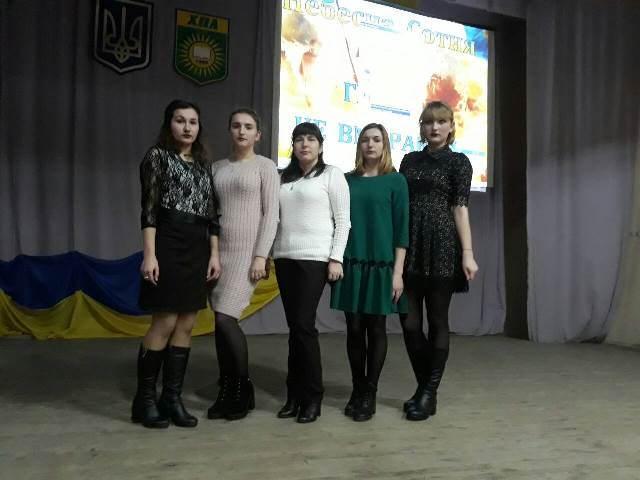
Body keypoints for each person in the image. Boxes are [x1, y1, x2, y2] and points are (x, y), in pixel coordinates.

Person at [133, 99, 220, 429]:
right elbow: (149, 210)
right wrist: (150, 254)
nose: (187, 127)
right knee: (165, 321)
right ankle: (144, 400)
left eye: (193, 121)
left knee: (187, 323)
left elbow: (212, 215)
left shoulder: (203, 164)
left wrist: (214, 254)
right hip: (167, 242)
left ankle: (172, 399)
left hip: (197, 246)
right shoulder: (157, 157)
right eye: (180, 120)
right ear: (169, 124)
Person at [399, 100, 479, 421]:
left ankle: (427, 392)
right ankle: (425, 390)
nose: (434, 127)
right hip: (410, 246)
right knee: (409, 324)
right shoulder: (409, 160)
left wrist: (468, 253)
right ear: (421, 127)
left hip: (443, 247)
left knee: (437, 322)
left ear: (451, 127)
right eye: (428, 122)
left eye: (441, 122)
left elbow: (460, 208)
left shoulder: (459, 162)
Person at [273, 122, 351, 423]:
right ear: (292, 146)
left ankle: (312, 398)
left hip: (315, 259)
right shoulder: (283, 178)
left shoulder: (331, 174)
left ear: (320, 145)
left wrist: (336, 258)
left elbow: (343, 220)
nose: (304, 144)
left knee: (304, 326)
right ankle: (293, 395)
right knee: (295, 328)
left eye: (311, 139)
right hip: (284, 257)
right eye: (299, 140)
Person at [330, 123, 409, 422]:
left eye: (376, 139)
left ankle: (370, 392)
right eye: (365, 139)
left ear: (385, 144)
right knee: (353, 329)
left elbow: (402, 230)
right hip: (351, 263)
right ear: (359, 145)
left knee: (376, 328)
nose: (370, 144)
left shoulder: (396, 181)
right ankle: (357, 388)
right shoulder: (346, 180)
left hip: (381, 266)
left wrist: (398, 272)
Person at [206, 108, 279, 421]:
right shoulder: (217, 168)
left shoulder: (266, 167)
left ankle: (241, 387)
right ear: (230, 130)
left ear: (257, 135)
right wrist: (211, 253)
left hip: (247, 256)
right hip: (218, 255)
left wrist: (261, 255)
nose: (241, 131)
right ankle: (227, 387)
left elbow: (271, 214)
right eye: (236, 125)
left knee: (226, 318)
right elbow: (211, 215)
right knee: (219, 322)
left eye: (248, 127)